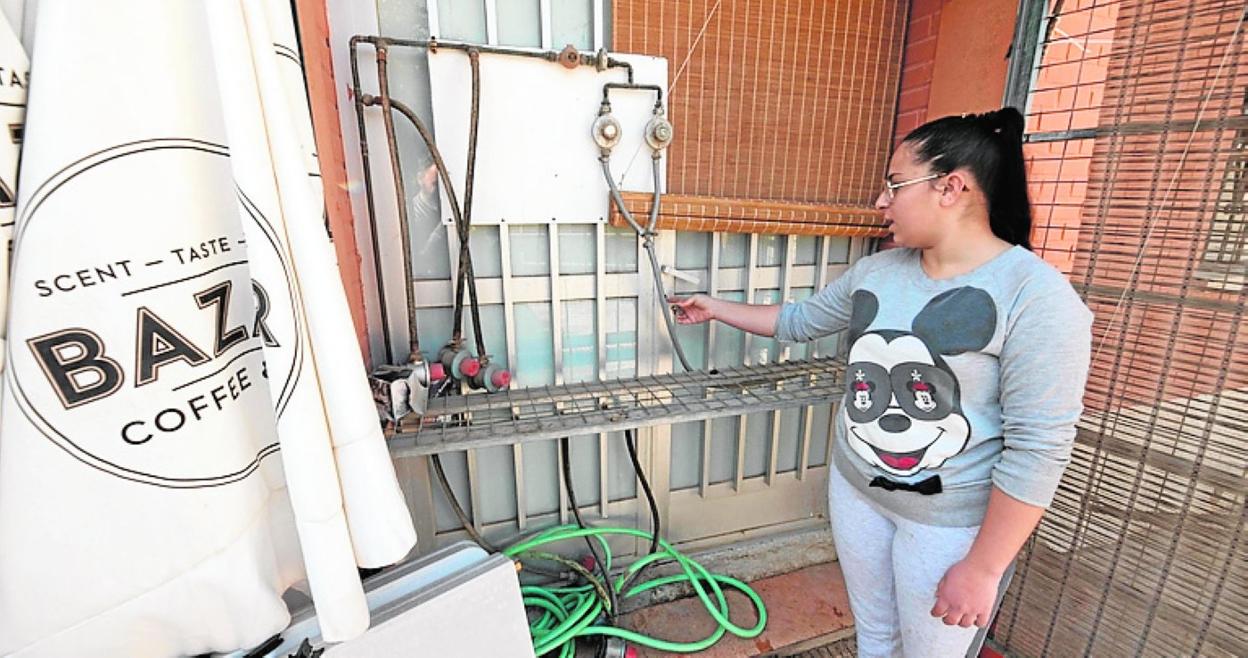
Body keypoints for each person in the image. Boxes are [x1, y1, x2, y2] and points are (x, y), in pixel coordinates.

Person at [669, 108, 1092, 657]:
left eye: (894, 185)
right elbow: (801, 321)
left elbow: (1038, 449)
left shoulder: (1036, 297)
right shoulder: (879, 272)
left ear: (951, 188)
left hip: (947, 525)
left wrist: (984, 567)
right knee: (875, 638)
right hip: (856, 492)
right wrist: (714, 307)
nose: (880, 202)